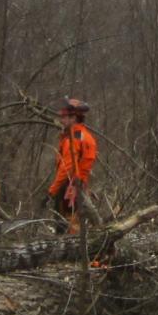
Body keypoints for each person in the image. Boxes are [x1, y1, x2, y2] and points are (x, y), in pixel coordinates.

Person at [47, 96, 97, 235]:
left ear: (73, 118)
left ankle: (66, 247)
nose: (61, 120)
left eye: (64, 117)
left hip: (68, 188)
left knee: (66, 227)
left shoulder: (73, 138)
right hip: (79, 186)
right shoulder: (86, 135)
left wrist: (51, 191)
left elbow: (67, 168)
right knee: (76, 224)